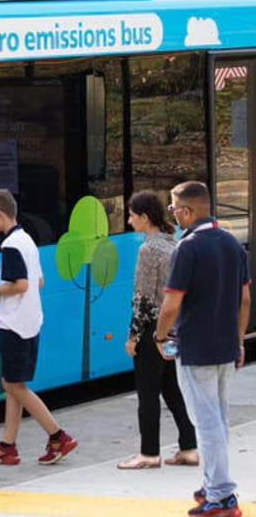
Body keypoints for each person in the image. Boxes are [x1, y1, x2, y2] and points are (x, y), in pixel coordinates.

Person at [155, 181, 250, 517]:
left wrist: (160, 337)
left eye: (172, 208)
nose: (172, 214)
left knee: (206, 422)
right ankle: (212, 484)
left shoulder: (188, 247)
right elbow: (245, 298)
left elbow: (171, 304)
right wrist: (239, 340)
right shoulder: (232, 242)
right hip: (226, 347)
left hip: (196, 348)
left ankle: (222, 495)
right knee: (218, 419)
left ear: (186, 211)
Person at [0, 189, 78, 466]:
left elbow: (21, 284)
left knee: (11, 384)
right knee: (15, 383)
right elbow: (39, 282)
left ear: (1, 215)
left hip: (14, 323)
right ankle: (8, 445)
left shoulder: (10, 245)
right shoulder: (27, 240)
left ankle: (58, 435)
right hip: (30, 320)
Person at [117, 190, 197, 470]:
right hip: (175, 327)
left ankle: (149, 453)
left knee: (148, 392)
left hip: (154, 329)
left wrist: (133, 336)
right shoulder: (172, 242)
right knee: (172, 389)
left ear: (145, 217)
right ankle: (189, 446)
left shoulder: (148, 249)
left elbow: (144, 298)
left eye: (132, 215)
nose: (129, 221)